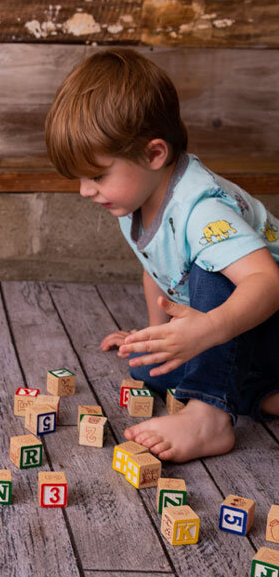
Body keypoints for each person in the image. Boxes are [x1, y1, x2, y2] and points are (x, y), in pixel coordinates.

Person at [45, 49, 279, 461]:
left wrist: (205, 330)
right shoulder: (134, 200)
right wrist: (156, 336)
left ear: (154, 154)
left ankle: (209, 417)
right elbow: (156, 269)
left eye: (97, 175)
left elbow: (266, 282)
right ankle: (263, 395)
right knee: (147, 368)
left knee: (212, 270)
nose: (85, 190)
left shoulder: (201, 210)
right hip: (242, 338)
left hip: (265, 319)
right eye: (80, 177)